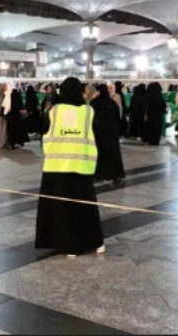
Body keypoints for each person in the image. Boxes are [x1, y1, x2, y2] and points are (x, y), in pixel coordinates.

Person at [36, 77, 104, 257]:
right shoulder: (88, 111)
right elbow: (97, 134)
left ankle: (63, 244)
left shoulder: (54, 111)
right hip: (82, 166)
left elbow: (44, 132)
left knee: (59, 208)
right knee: (84, 208)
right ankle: (93, 242)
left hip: (56, 166)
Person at [90, 84, 125, 185]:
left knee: (99, 155)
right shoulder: (112, 103)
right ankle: (116, 175)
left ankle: (99, 175)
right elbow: (118, 117)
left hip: (99, 133)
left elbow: (91, 118)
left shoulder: (94, 103)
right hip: (112, 133)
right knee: (113, 154)